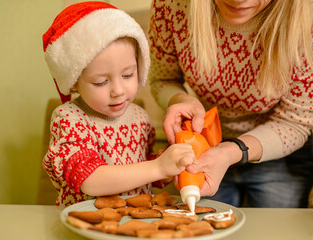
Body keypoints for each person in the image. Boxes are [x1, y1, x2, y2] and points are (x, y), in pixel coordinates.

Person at [149, 0, 313, 207]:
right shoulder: (171, 6)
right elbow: (163, 79)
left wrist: (232, 151)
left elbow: (295, 123)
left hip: (279, 157)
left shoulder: (307, 23)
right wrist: (181, 100)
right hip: (206, 146)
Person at [42, 1, 196, 206]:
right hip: (86, 226)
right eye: (101, 82)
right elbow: (89, 180)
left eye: (128, 74)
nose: (118, 91)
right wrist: (158, 167)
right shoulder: (69, 118)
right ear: (75, 81)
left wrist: (169, 164)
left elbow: (141, 172)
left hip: (133, 225)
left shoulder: (141, 117)